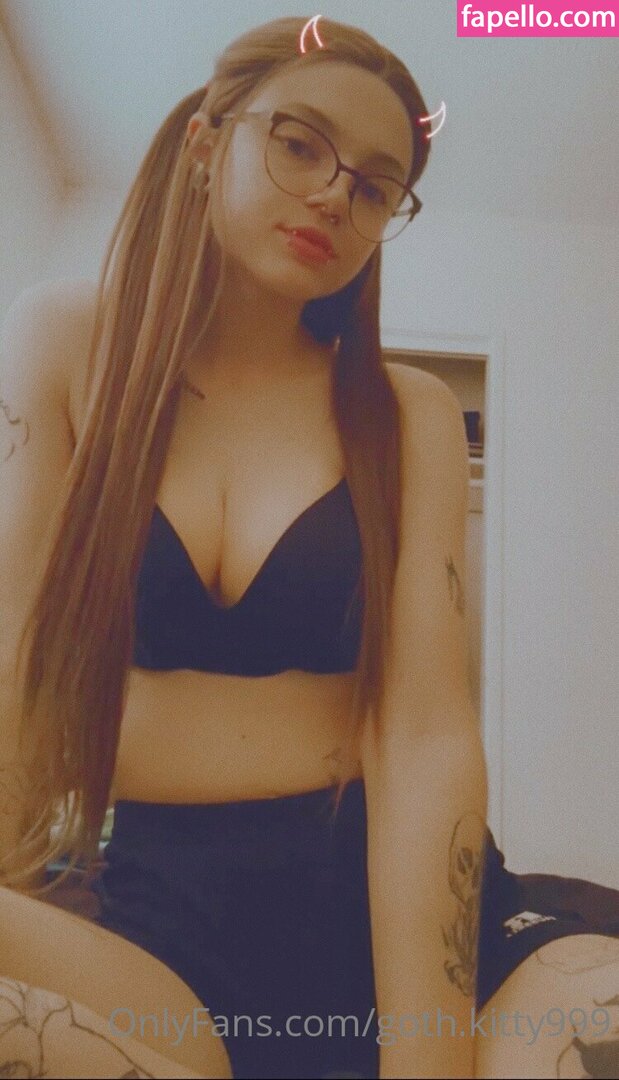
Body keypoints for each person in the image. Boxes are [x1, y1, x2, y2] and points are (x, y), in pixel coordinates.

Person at [1, 15, 618, 1080]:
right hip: (157, 927)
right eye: (300, 144)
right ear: (206, 143)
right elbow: (18, 660)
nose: (335, 194)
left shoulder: (407, 414)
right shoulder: (66, 342)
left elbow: (424, 737)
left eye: (376, 186)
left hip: (388, 898)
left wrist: (425, 1057)